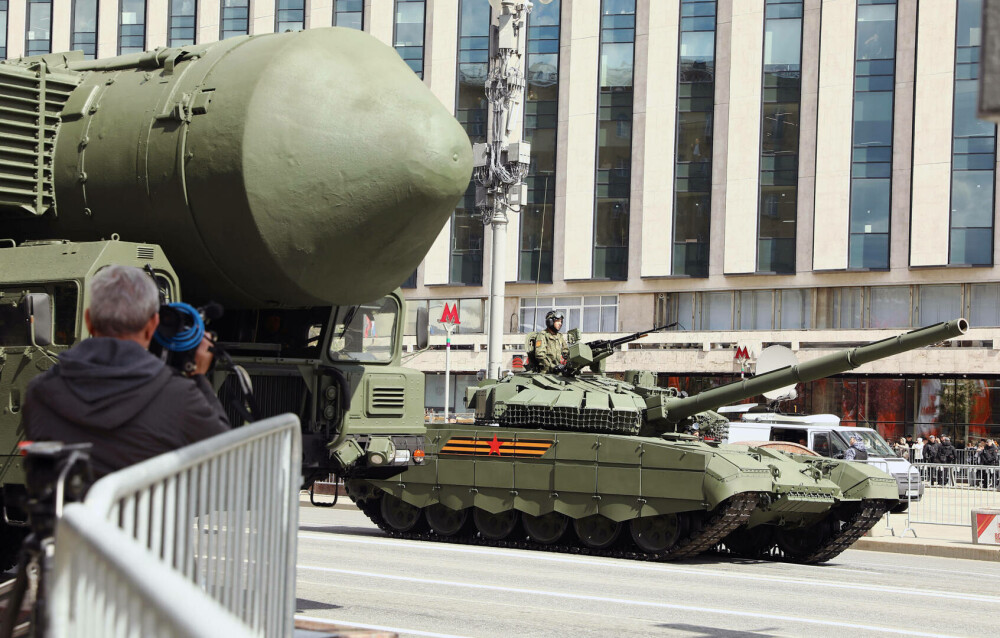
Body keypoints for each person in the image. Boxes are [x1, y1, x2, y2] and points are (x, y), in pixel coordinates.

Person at [22, 265, 230, 478]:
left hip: (67, 511)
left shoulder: (39, 392)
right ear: (152, 325)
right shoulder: (179, 396)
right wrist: (197, 374)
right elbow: (225, 451)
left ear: (89, 321)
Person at [525, 310, 569, 374]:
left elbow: (565, 351)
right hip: (546, 372)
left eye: (561, 321)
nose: (560, 323)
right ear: (550, 322)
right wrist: (553, 367)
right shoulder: (542, 335)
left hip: (558, 372)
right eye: (558, 321)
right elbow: (540, 355)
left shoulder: (559, 336)